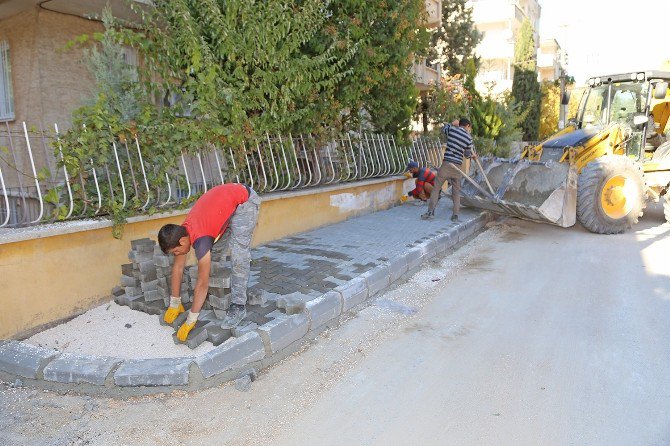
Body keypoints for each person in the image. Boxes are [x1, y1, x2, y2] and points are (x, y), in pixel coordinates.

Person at [158, 183, 261, 341]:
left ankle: (238, 305)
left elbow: (202, 284)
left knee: (238, 255)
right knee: (216, 251)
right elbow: (178, 268)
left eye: (176, 251)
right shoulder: (181, 233)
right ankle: (220, 287)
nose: (176, 254)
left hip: (244, 201)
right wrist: (175, 302)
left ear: (182, 240)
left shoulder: (201, 241)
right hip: (224, 203)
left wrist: (191, 319)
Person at [421, 117, 475, 222]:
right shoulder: (469, 138)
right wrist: (471, 155)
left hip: (446, 164)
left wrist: (452, 123)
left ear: (460, 123)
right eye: (469, 127)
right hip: (457, 168)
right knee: (456, 192)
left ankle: (430, 212)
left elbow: (443, 130)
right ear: (467, 125)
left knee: (436, 188)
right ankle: (455, 215)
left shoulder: (452, 129)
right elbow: (467, 155)